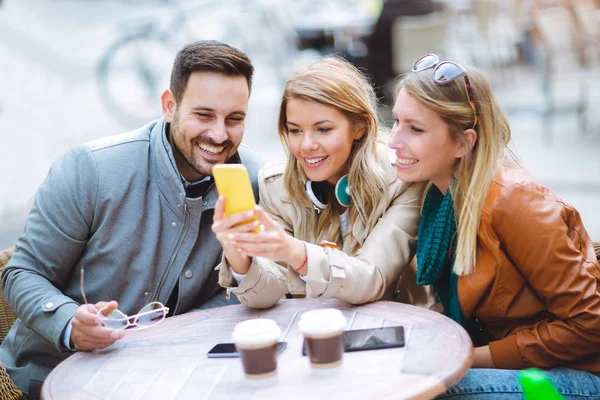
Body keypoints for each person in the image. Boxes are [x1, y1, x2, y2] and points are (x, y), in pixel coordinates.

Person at [0, 40, 262, 399]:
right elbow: (21, 272)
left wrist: (180, 333)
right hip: (46, 380)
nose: (219, 135)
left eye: (235, 119)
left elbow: (242, 290)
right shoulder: (90, 169)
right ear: (170, 106)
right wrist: (68, 323)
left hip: (178, 380)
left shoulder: (254, 180)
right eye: (203, 115)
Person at [388, 53, 600, 398]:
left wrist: (471, 357)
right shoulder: (441, 196)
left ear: (463, 142)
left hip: (576, 374)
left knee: (425, 391)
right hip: (516, 361)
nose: (394, 140)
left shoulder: (514, 202)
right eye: (396, 121)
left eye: (415, 129)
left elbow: (591, 325)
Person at [212, 57, 427, 309]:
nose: (306, 146)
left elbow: (371, 279)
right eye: (295, 130)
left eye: (323, 129)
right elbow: (267, 296)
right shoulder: (276, 186)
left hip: (391, 331)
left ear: (360, 126)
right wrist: (240, 256)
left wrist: (295, 251)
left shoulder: (401, 180)